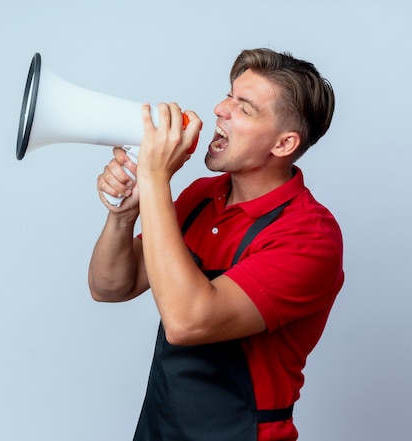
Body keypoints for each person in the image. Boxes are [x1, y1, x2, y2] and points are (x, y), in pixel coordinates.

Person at [89, 48, 344, 441]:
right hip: (160, 429)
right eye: (229, 95)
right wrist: (124, 214)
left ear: (283, 144)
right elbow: (109, 287)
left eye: (245, 108)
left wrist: (155, 179)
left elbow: (187, 321)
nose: (220, 109)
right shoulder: (203, 196)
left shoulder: (310, 236)